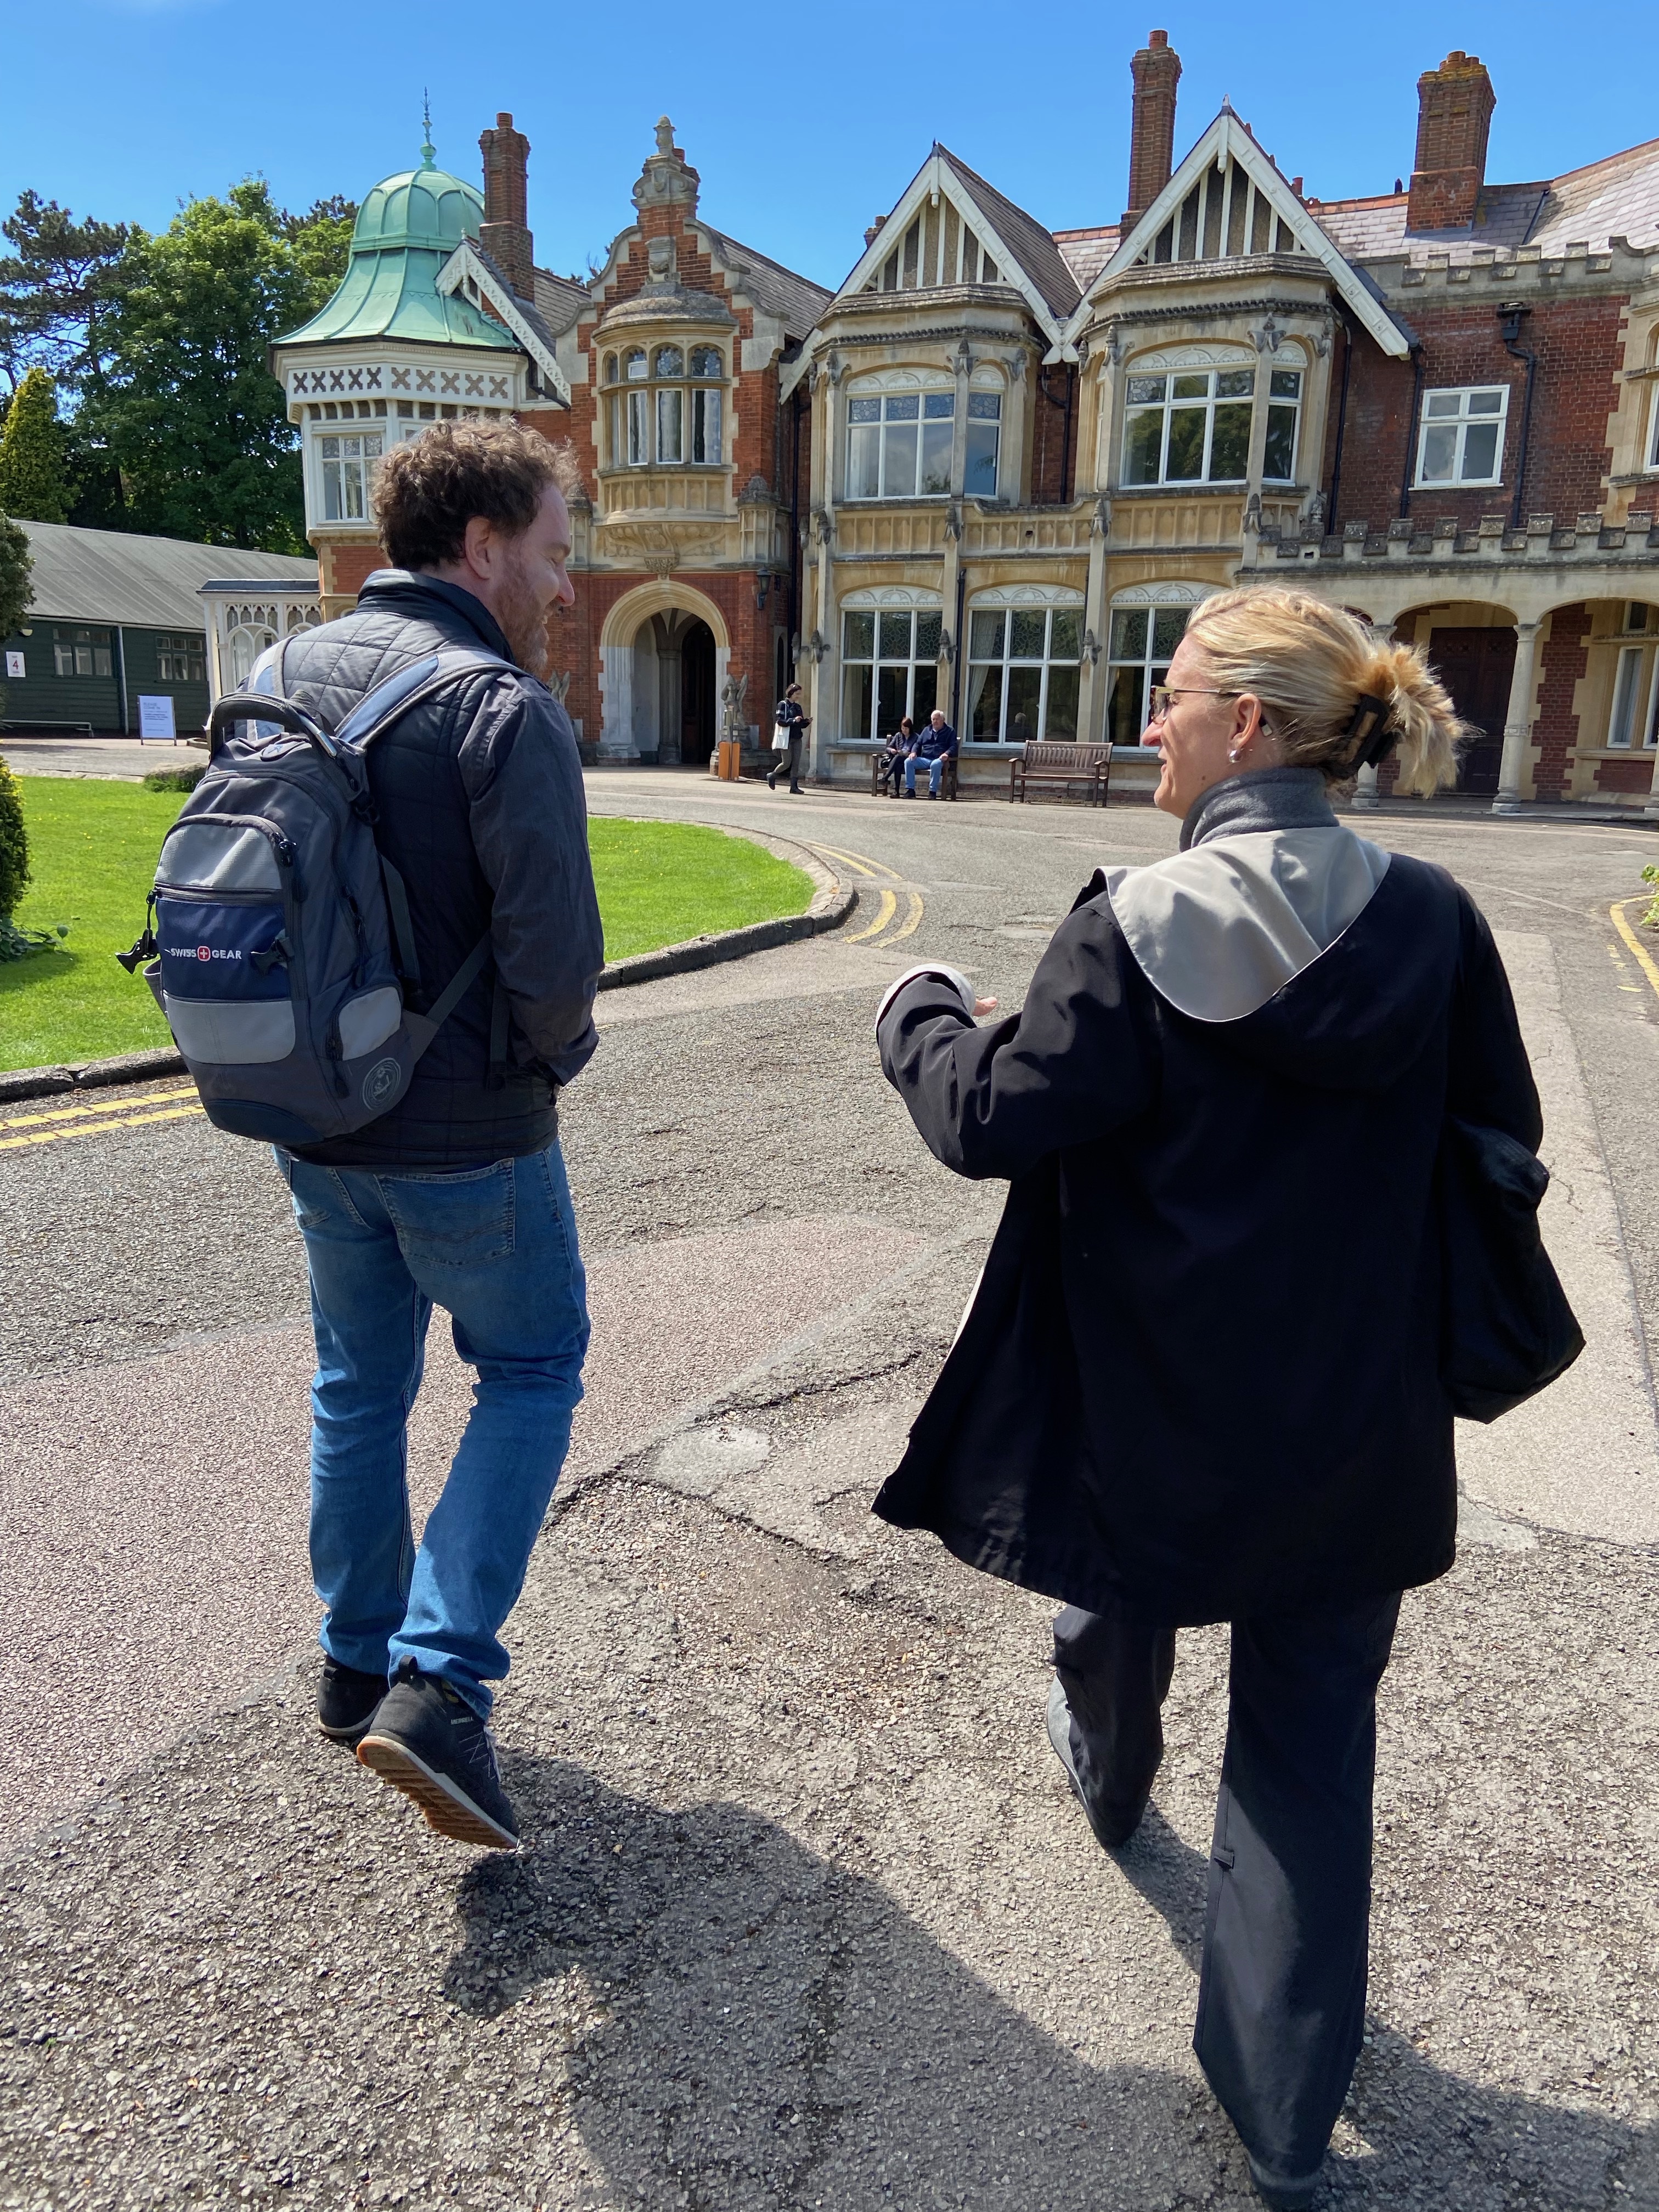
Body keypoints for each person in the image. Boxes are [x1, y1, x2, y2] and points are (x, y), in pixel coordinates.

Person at [871, 587, 1541, 2207]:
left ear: (1247, 726)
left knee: (1117, 1605)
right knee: (1308, 1748)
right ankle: (1288, 2123)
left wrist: (916, 1012)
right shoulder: (1437, 921)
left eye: (1167, 693)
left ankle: (1110, 1782)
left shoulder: (1133, 919)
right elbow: (1502, 1143)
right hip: (1357, 1417)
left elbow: (989, 1123)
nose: (1147, 721)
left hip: (1151, 1411)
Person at [272, 420, 605, 1853]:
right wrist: (547, 1068)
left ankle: (357, 1662)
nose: (566, 581)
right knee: (531, 1369)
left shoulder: (279, 676)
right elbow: (556, 959)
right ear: (483, 549)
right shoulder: (498, 705)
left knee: (360, 1378)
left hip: (307, 1117)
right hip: (469, 1131)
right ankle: (439, 1684)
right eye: (553, 546)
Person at [904, 708, 957, 798]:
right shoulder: (926, 730)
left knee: (935, 764)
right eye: (933, 719)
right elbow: (918, 743)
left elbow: (954, 746)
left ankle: (933, 792)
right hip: (925, 759)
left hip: (940, 759)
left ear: (943, 720)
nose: (935, 721)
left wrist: (947, 753)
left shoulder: (950, 731)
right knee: (908, 761)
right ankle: (910, 790)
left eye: (937, 719)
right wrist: (914, 752)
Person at [769, 682, 809, 792]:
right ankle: (772, 775)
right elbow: (780, 721)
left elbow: (800, 724)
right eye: (797, 694)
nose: (798, 696)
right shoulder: (782, 705)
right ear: (791, 693)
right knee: (786, 762)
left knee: (796, 763)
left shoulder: (797, 707)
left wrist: (806, 722)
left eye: (799, 694)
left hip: (797, 738)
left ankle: (794, 787)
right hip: (786, 738)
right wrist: (793, 720)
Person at [876, 715, 913, 797]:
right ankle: (896, 792)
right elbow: (888, 748)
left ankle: (886, 778)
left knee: (899, 757)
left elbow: (914, 750)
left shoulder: (915, 737)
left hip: (908, 759)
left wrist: (906, 753)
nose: (904, 731)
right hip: (898, 760)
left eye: (906, 729)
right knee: (898, 764)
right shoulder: (898, 735)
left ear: (910, 728)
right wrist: (891, 750)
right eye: (903, 728)